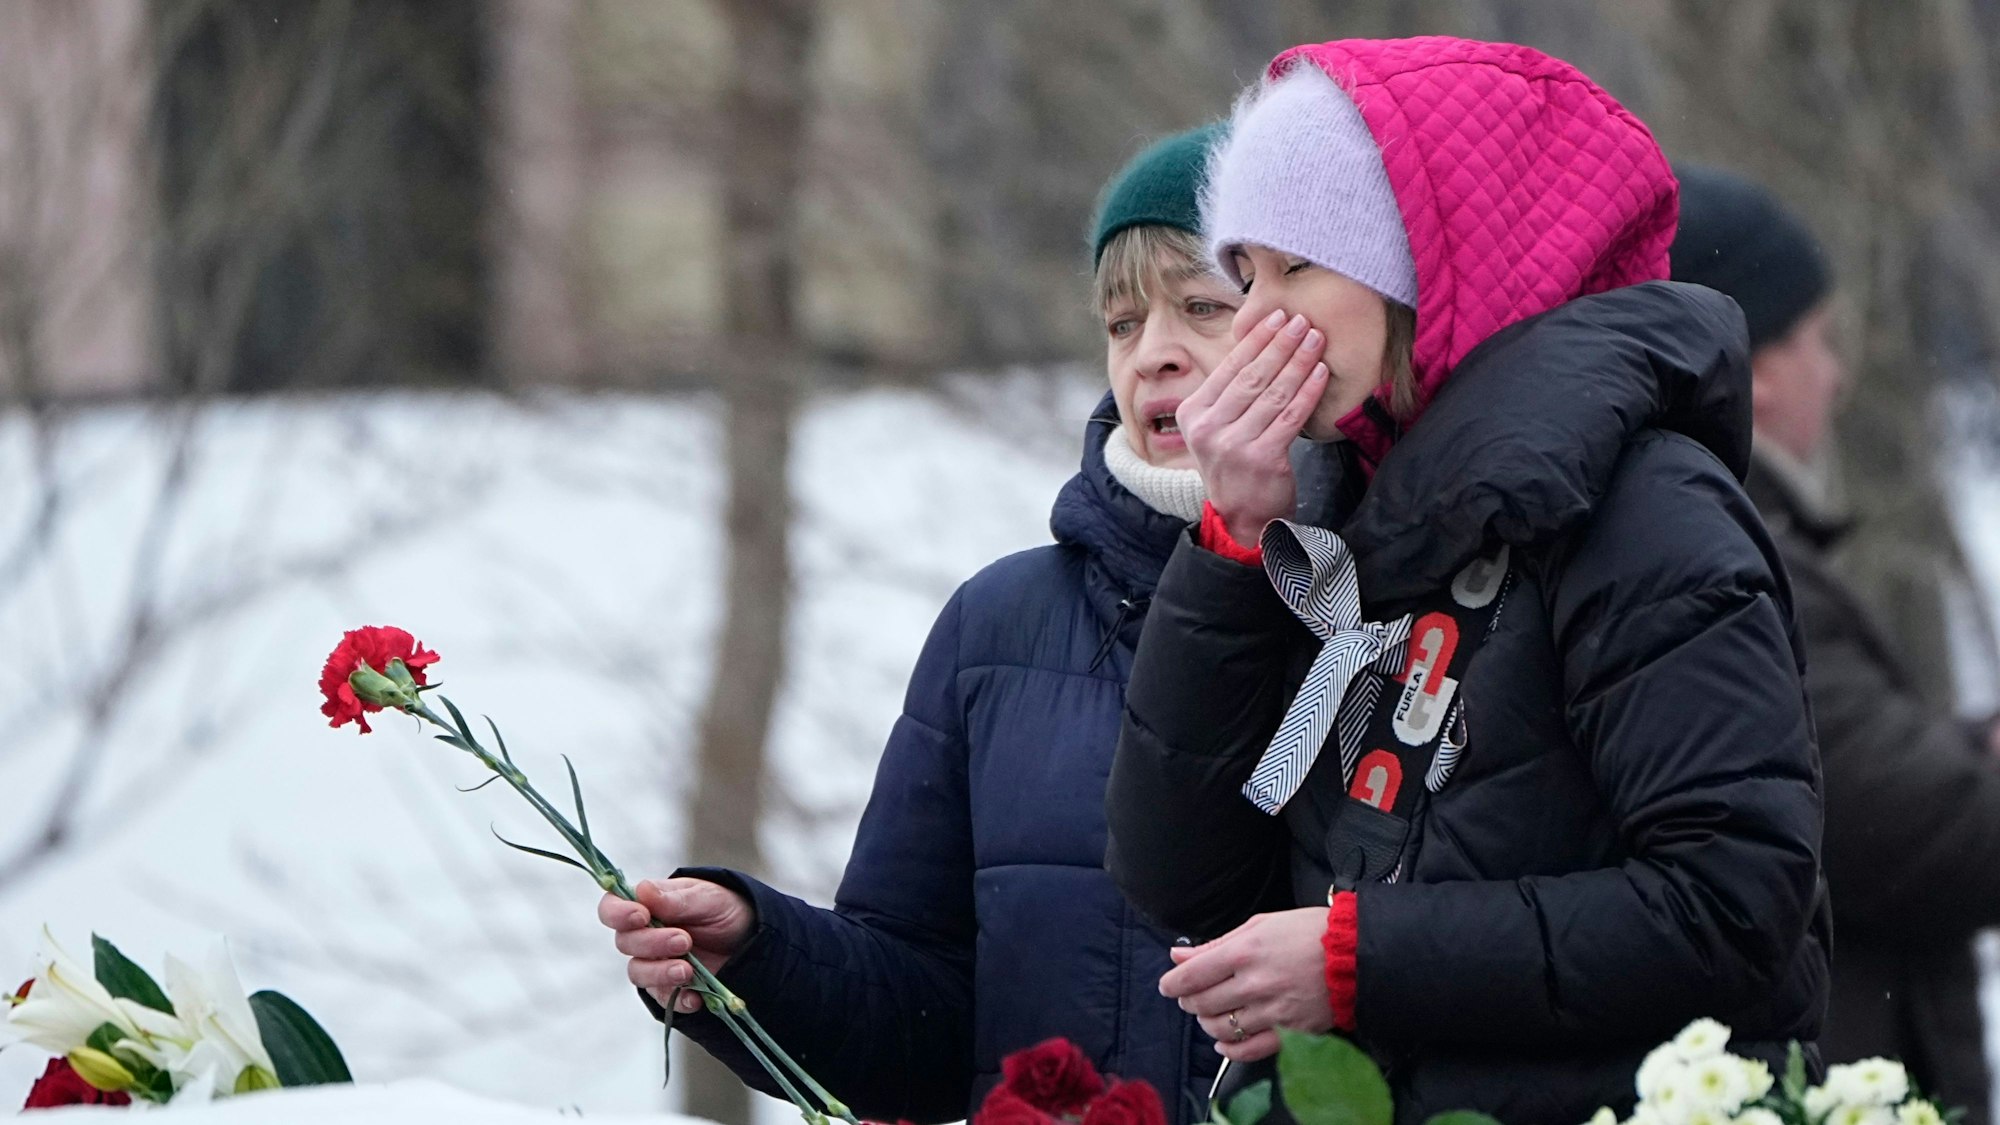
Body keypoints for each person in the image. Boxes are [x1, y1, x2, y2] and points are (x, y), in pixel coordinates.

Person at [1103, 40, 1831, 1125]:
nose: (1254, 323)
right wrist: (1231, 544)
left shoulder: (1642, 510)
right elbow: (1181, 882)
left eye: (1297, 267)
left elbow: (1729, 912)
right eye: (1242, 275)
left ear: (1428, 270)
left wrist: (1359, 963)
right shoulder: (1341, 506)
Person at [597, 126, 1241, 1124]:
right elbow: (922, 1020)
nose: (1153, 351)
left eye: (1201, 306)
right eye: (1120, 322)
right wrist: (757, 959)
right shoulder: (1000, 626)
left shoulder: (1388, 611)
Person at [1674, 165, 2000, 1125]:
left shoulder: (1740, 535)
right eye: (1819, 340)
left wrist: (1967, 741)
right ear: (1760, 372)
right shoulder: (1742, 560)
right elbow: (1906, 828)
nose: (1839, 372)